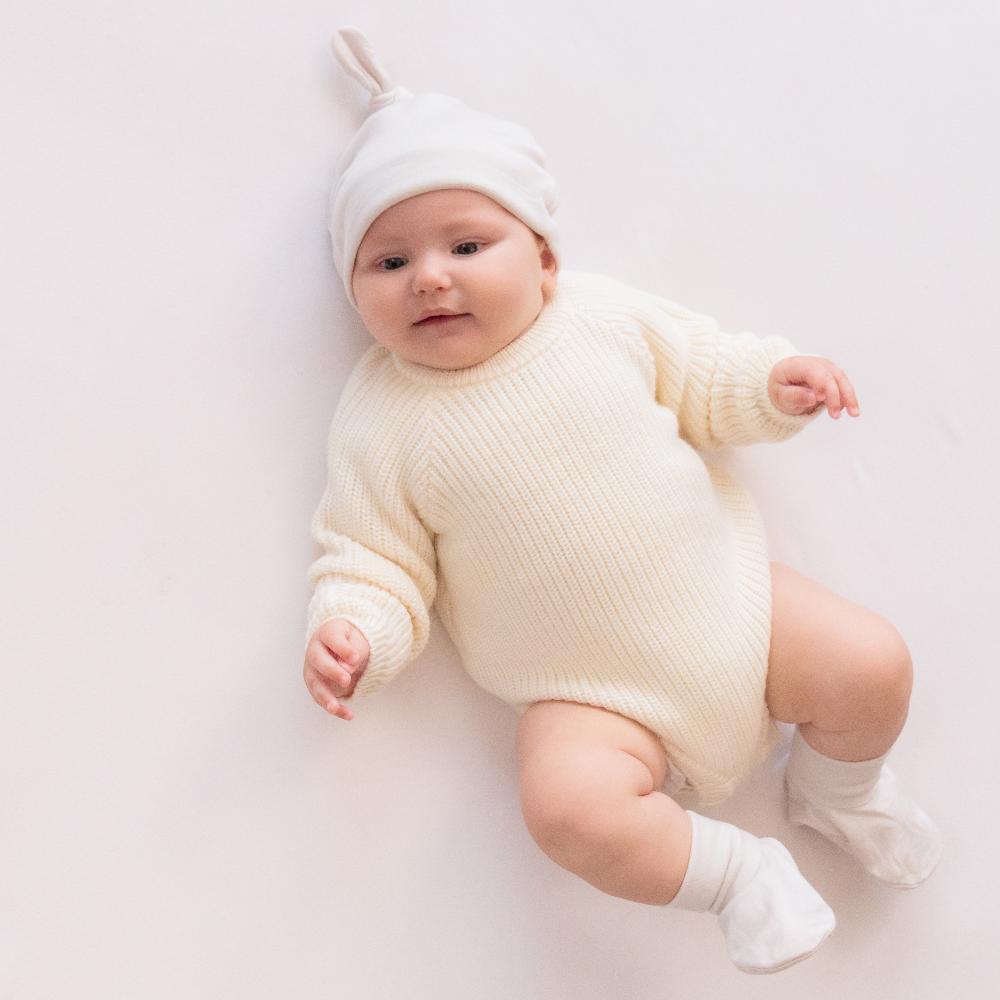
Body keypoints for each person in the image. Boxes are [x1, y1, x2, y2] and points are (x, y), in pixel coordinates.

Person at [303, 26, 943, 975]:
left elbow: (704, 375)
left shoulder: (599, 319)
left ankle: (837, 792)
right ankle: (737, 876)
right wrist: (355, 630)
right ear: (356, 295)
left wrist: (774, 385)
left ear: (544, 259)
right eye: (387, 263)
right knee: (564, 811)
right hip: (589, 698)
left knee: (871, 662)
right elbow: (374, 557)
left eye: (467, 244)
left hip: (737, 610)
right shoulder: (383, 418)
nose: (430, 276)